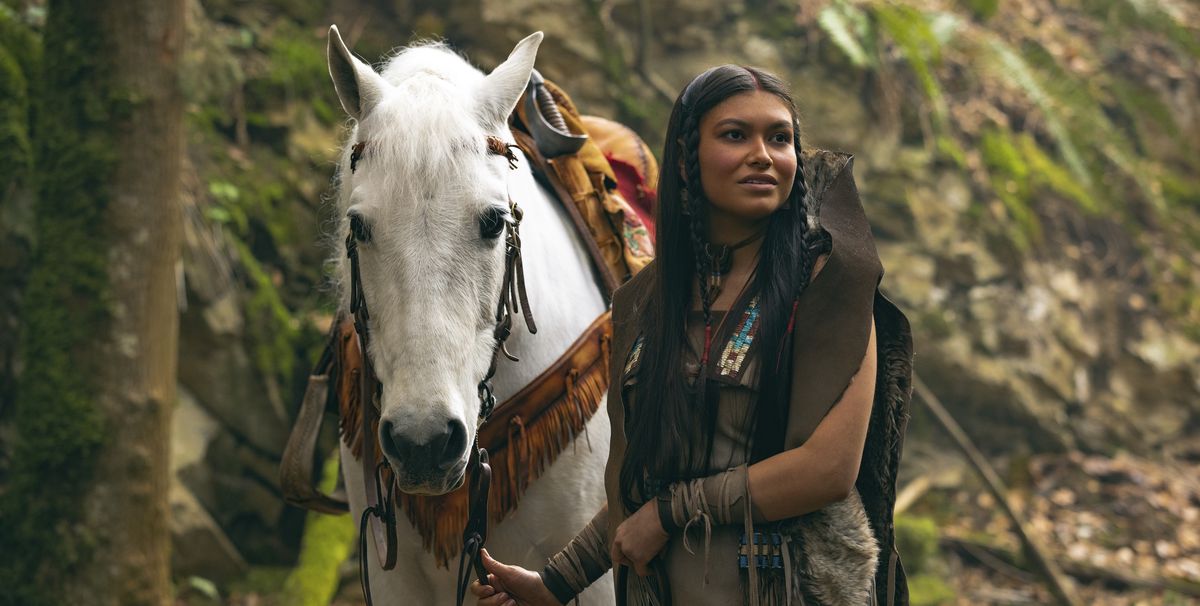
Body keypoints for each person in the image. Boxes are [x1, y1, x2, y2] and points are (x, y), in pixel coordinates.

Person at [470, 65, 914, 606]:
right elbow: (641, 482)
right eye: (735, 135)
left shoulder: (829, 285)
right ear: (686, 158)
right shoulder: (644, 303)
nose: (763, 154)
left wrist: (672, 512)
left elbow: (826, 469)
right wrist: (555, 584)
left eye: (780, 138)